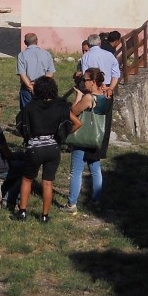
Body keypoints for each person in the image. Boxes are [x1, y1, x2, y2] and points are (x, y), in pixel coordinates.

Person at [13, 75, 79, 223]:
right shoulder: (61, 106)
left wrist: (28, 138)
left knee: (27, 179)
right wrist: (62, 136)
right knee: (48, 182)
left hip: (35, 147)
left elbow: (19, 125)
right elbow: (77, 123)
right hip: (53, 148)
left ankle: (22, 211)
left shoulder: (30, 107)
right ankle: (44, 216)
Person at [63, 68, 111, 214]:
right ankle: (96, 200)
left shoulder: (89, 98)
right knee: (95, 169)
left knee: (76, 171)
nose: (83, 82)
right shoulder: (105, 96)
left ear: (93, 82)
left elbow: (73, 112)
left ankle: (71, 204)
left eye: (85, 80)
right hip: (96, 137)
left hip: (83, 137)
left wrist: (78, 96)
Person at [16, 32, 55, 109]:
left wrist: (31, 86)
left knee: (26, 112)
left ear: (25, 42)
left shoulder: (22, 55)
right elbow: (50, 72)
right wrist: (39, 83)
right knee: (42, 111)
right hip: (43, 87)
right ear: (37, 41)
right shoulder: (46, 54)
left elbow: (22, 74)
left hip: (27, 89)